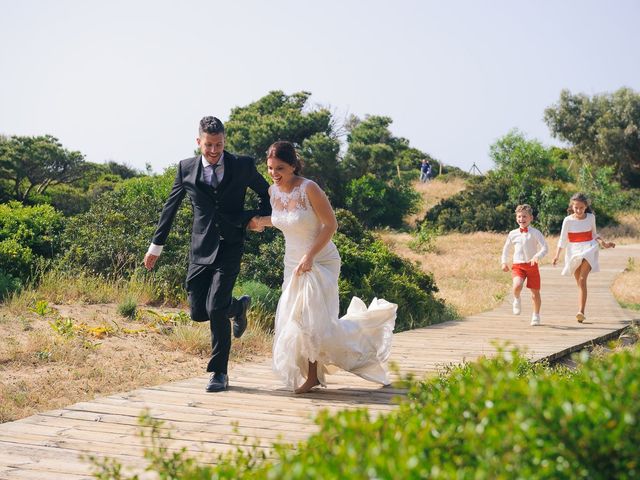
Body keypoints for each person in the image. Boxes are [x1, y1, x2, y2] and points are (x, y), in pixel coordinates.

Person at [251, 141, 397, 394]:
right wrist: (262, 222)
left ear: (294, 166)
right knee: (294, 318)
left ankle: (313, 375)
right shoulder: (273, 192)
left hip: (320, 259)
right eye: (270, 168)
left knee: (313, 321)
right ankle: (313, 374)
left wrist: (309, 256)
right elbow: (287, 220)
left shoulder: (310, 188)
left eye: (280, 168)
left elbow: (330, 225)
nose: (274, 173)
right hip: (292, 262)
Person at [143, 116, 271, 392]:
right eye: (209, 145)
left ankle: (219, 373)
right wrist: (156, 246)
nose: (214, 151)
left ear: (225, 141)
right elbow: (170, 208)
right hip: (200, 249)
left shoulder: (242, 165)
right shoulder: (185, 169)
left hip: (230, 245)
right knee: (199, 311)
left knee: (215, 309)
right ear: (198, 142)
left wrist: (255, 219)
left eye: (219, 145)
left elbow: (267, 193)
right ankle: (238, 308)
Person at [551, 193, 615, 323]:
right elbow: (563, 239)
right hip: (573, 251)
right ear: (572, 206)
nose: (578, 210)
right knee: (580, 284)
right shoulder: (568, 220)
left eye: (581, 207)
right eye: (576, 207)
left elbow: (594, 234)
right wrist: (557, 255)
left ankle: (581, 311)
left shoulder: (591, 217)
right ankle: (581, 311)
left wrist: (604, 243)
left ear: (586, 207)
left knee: (582, 279)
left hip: (589, 248)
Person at [500, 204, 548, 326]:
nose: (522, 219)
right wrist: (504, 262)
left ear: (531, 218)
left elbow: (545, 248)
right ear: (516, 218)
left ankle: (536, 315)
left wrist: (537, 256)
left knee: (535, 293)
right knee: (517, 285)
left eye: (524, 216)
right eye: (519, 216)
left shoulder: (536, 233)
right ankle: (516, 299)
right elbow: (506, 249)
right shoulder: (513, 233)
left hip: (532, 265)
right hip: (518, 265)